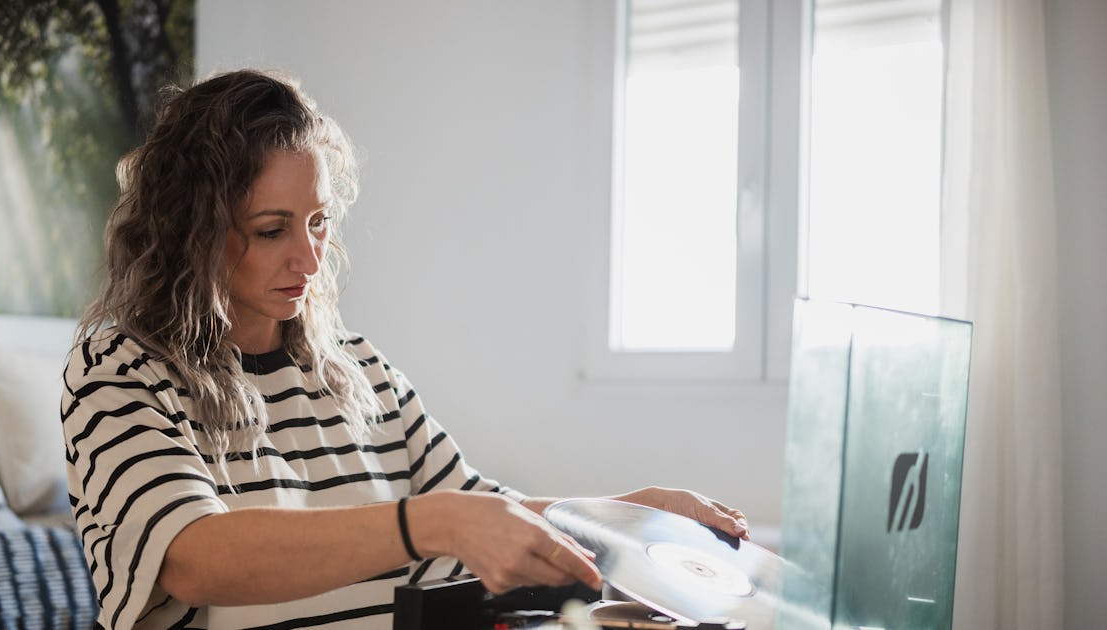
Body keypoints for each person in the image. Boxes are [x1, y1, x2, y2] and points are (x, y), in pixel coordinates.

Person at [62, 69, 749, 630]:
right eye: (272, 229)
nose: (308, 256)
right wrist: (431, 524)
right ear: (194, 232)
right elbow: (190, 556)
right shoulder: (119, 371)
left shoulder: (358, 368)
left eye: (319, 222)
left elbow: (482, 513)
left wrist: (629, 515)